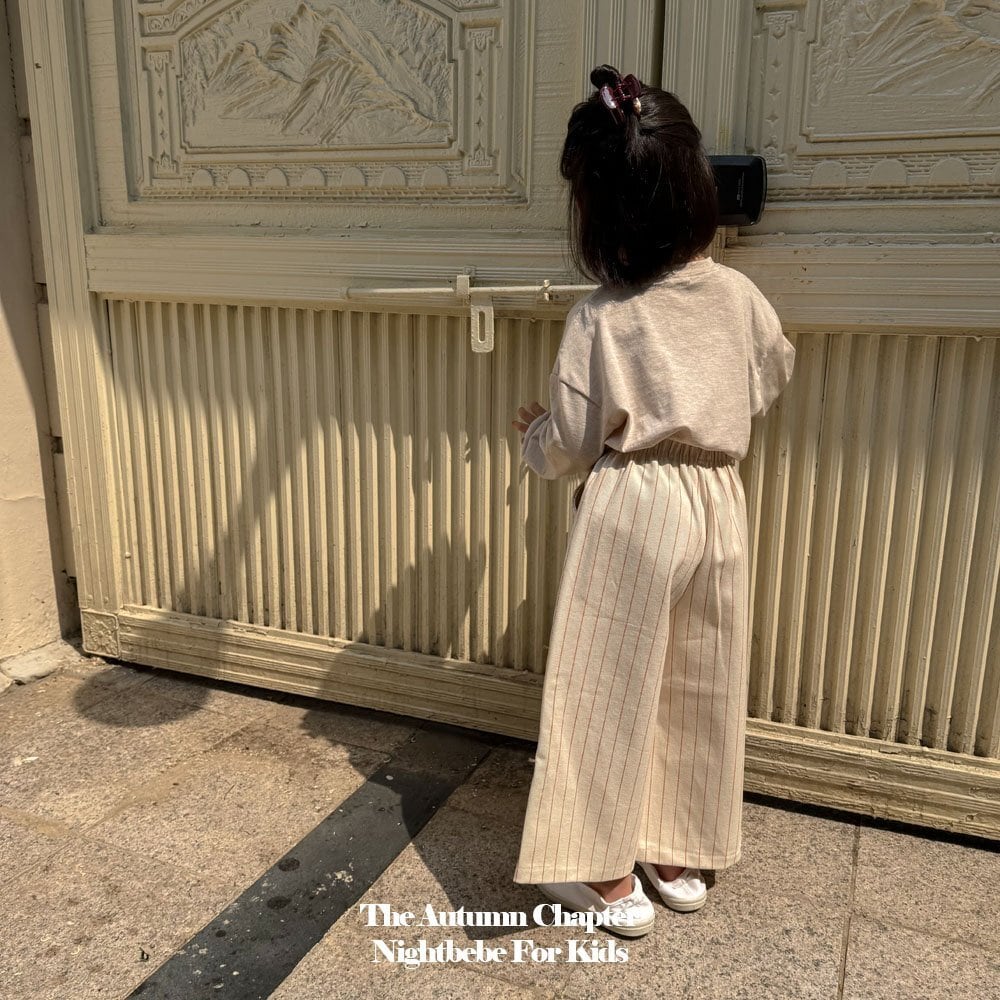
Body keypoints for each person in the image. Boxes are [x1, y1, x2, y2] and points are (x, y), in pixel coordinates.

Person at [510, 65, 796, 937]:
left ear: (599, 212)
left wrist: (532, 435)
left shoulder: (603, 316)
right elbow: (771, 374)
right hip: (717, 497)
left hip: (634, 501)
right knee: (698, 674)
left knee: (606, 679)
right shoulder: (739, 296)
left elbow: (569, 444)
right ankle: (675, 851)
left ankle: (599, 871)